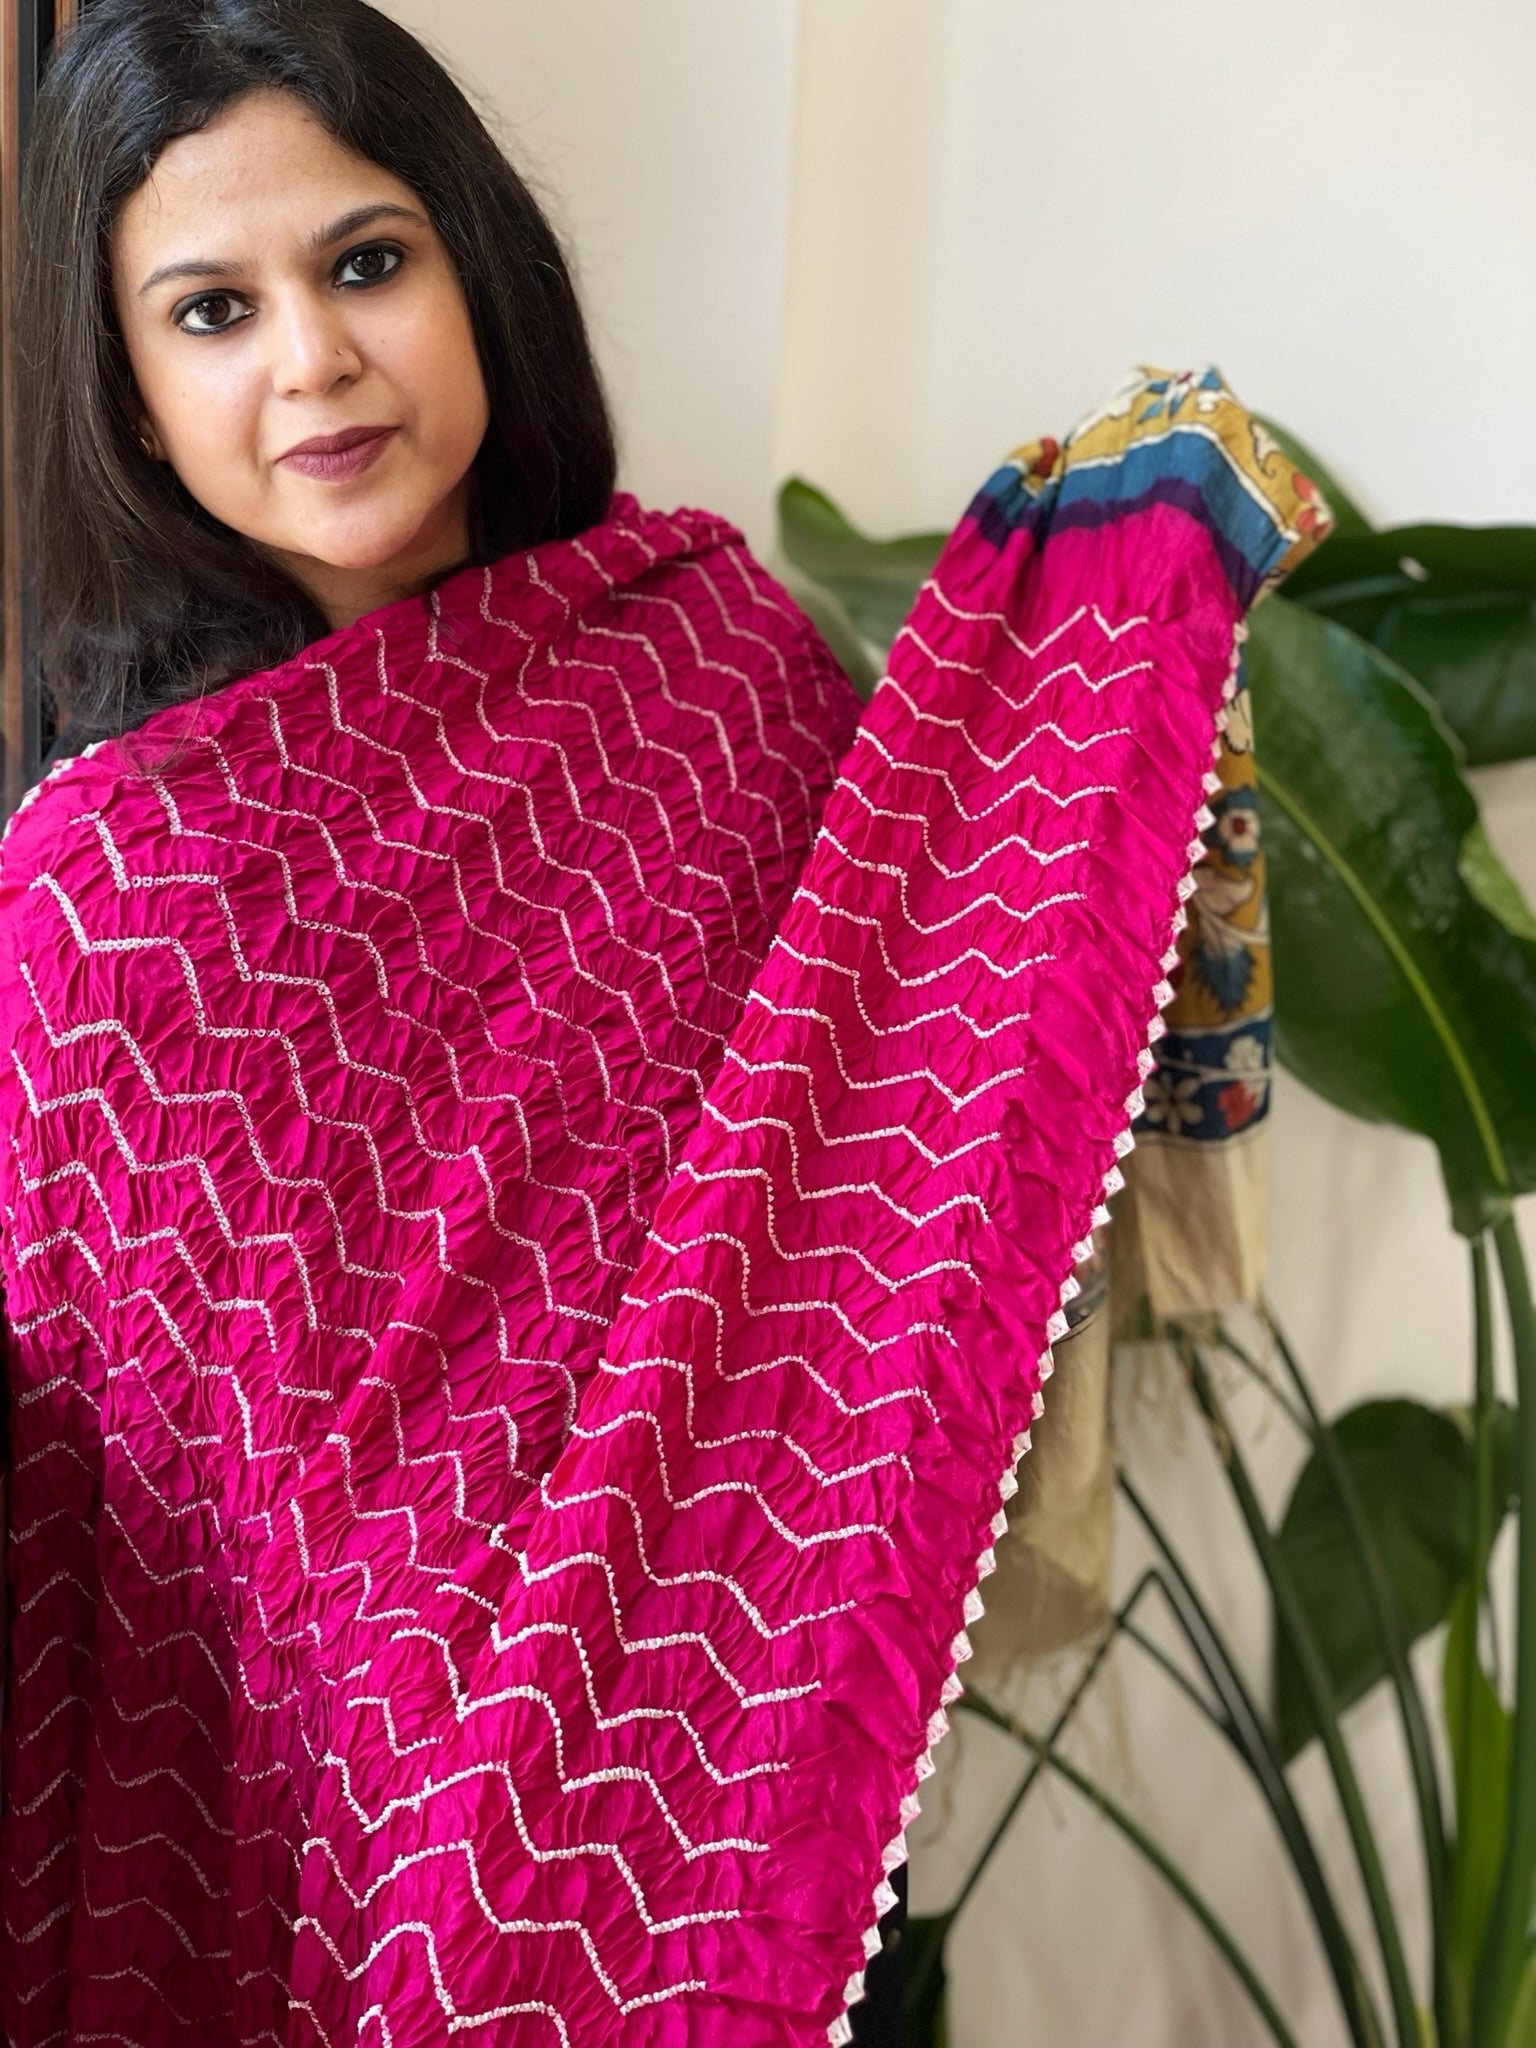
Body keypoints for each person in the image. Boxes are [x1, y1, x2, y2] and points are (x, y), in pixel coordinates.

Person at [0, 3, 1323, 2042]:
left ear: (479, 269)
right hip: (348, 1887)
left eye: (367, 262)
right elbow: (118, 1522)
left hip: (751, 1792)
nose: (312, 359)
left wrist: (1117, 650)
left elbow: (897, 1073)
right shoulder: (97, 895)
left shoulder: (707, 662)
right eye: (209, 310)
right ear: (127, 401)